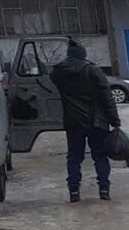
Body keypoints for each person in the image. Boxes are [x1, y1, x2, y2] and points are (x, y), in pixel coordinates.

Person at [50, 40, 120, 203]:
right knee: (100, 156)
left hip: (73, 121)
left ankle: (74, 191)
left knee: (74, 157)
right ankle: (104, 189)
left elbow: (50, 78)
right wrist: (115, 121)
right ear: (84, 54)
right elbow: (107, 97)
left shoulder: (59, 72)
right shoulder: (94, 71)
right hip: (96, 121)